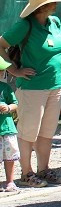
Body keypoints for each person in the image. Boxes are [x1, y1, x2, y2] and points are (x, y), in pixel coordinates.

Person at [0, 0, 61, 187]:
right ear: (42, 6)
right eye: (51, 2)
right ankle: (27, 173)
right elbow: (1, 45)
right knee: (28, 131)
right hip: (32, 87)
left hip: (55, 85)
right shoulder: (25, 25)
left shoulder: (54, 22)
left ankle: (43, 169)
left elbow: (58, 49)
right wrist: (14, 70)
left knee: (47, 131)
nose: (55, 4)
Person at [0, 58, 18, 193]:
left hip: (7, 128)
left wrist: (8, 107)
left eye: (2, 71)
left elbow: (15, 103)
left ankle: (10, 181)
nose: (1, 73)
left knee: (10, 156)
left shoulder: (5, 88)